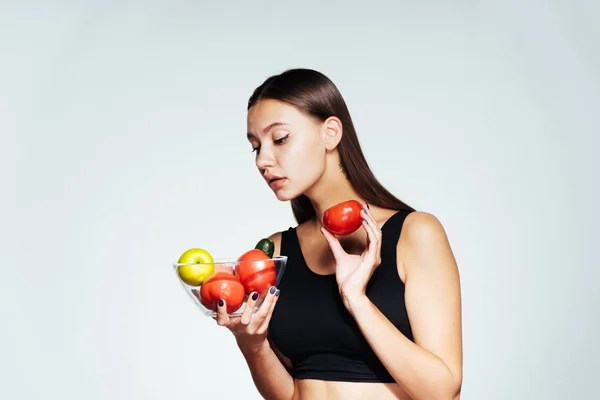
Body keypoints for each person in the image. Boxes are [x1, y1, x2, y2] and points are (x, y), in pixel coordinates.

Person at [213, 68, 463, 400]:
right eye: (255, 147)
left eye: (280, 138)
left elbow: (443, 392)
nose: (263, 160)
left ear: (330, 133)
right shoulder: (275, 252)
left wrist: (357, 301)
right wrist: (252, 343)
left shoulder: (414, 234)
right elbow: (291, 396)